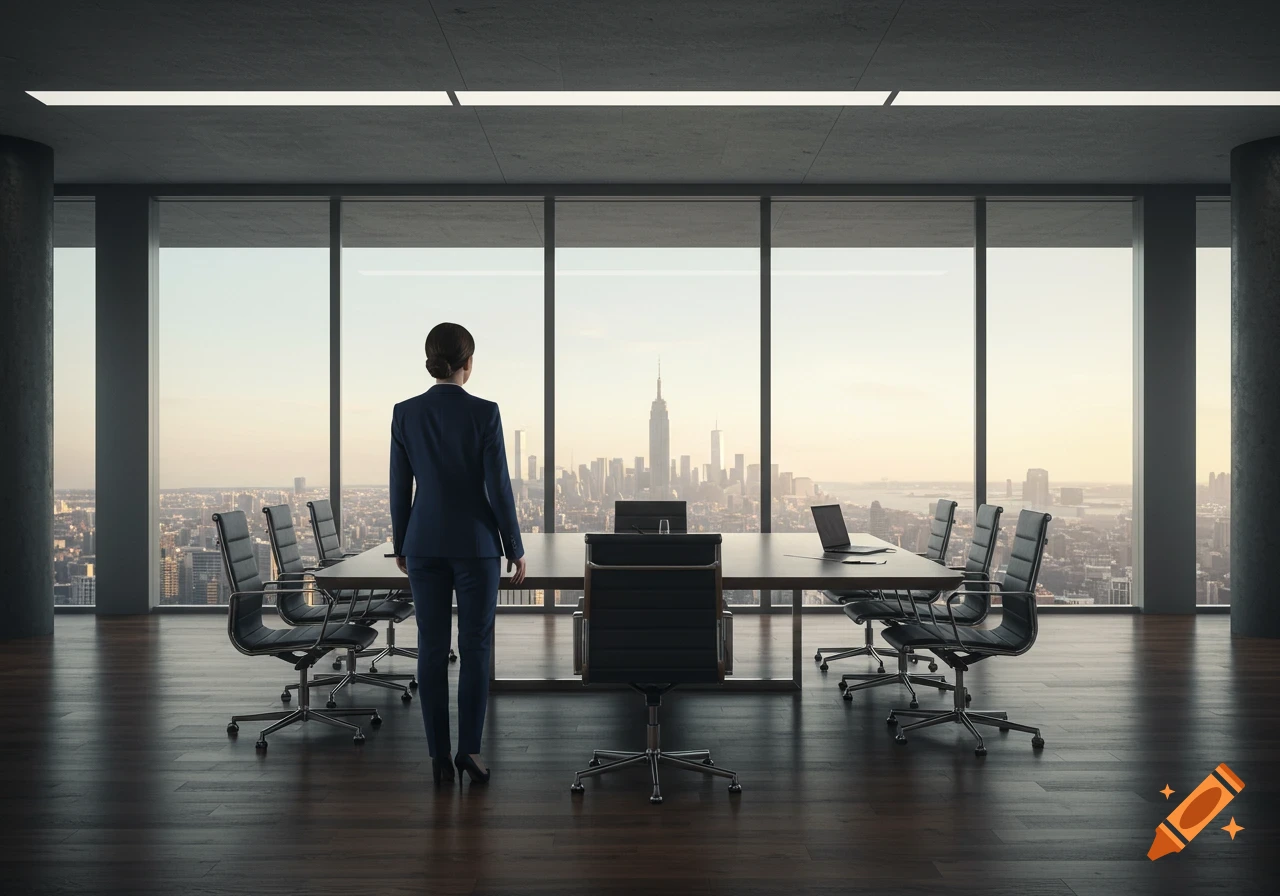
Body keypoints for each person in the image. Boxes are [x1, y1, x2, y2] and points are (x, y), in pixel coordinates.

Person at [390, 322, 527, 785]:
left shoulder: (404, 413)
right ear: (468, 364)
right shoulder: (485, 412)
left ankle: (437, 758)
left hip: (423, 544)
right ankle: (469, 750)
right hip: (476, 547)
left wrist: (400, 543)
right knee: (475, 648)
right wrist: (515, 547)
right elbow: (499, 488)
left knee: (430, 649)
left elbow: (398, 487)